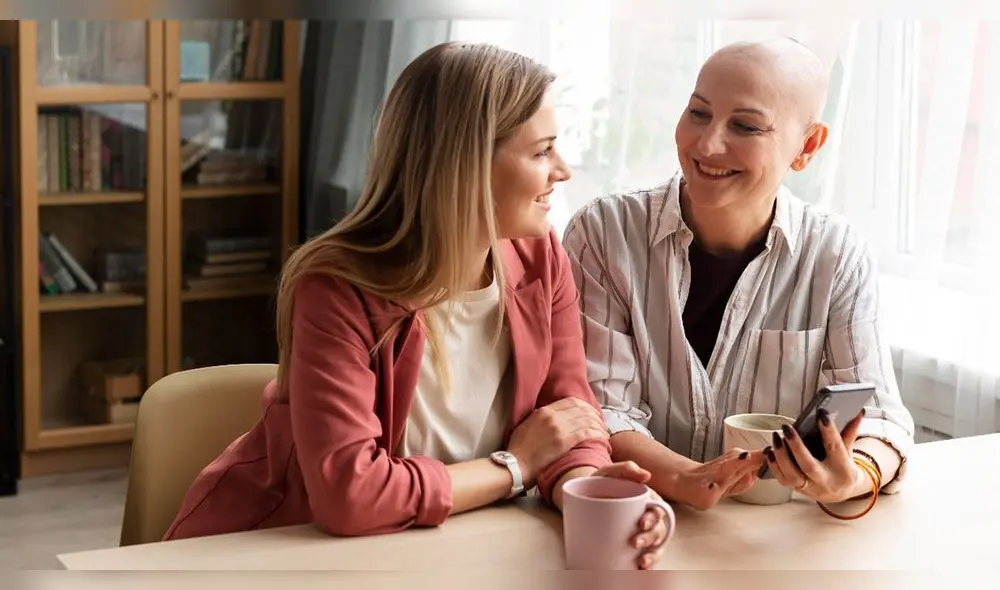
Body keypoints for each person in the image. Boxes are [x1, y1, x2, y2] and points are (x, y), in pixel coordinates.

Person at [164, 41, 669, 569]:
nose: (562, 171)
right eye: (542, 151)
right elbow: (349, 498)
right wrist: (515, 466)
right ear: (466, 165)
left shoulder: (543, 260)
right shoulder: (336, 289)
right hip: (284, 554)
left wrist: (585, 487)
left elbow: (569, 416)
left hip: (450, 548)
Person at [563, 38, 915, 515]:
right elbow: (597, 408)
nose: (707, 145)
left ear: (807, 146)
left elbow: (882, 420)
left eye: (745, 126)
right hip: (641, 519)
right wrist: (686, 478)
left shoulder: (836, 254)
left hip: (771, 541)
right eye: (698, 113)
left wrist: (852, 477)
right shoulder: (604, 233)